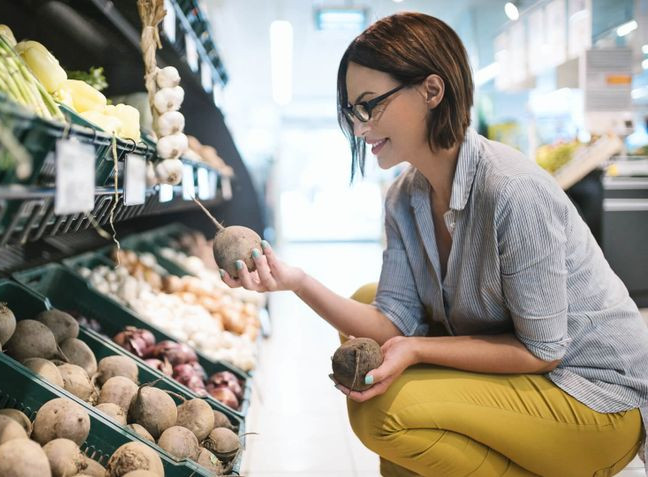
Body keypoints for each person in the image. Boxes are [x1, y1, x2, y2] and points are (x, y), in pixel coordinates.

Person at [219, 12, 648, 477]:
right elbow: (391, 322)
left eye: (370, 105)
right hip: (535, 376)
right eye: (352, 112)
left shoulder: (511, 190)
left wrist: (419, 351)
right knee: (369, 319)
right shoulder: (405, 198)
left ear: (431, 91)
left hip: (592, 396)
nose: (360, 129)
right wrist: (295, 281)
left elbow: (544, 350)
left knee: (385, 414)